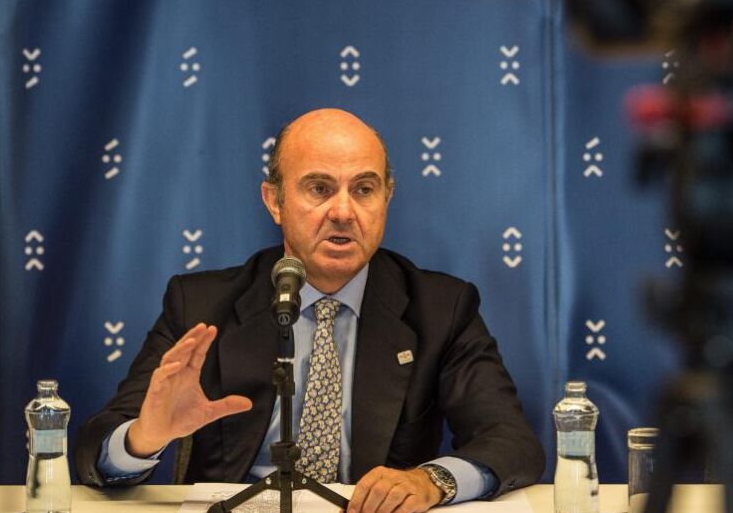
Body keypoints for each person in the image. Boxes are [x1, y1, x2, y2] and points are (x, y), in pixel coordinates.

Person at [75, 108, 544, 513]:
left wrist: (431, 480)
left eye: (364, 189)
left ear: (387, 197)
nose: (343, 211)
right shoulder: (200, 305)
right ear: (275, 201)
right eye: (319, 188)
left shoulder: (441, 308)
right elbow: (95, 452)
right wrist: (145, 437)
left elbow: (512, 443)